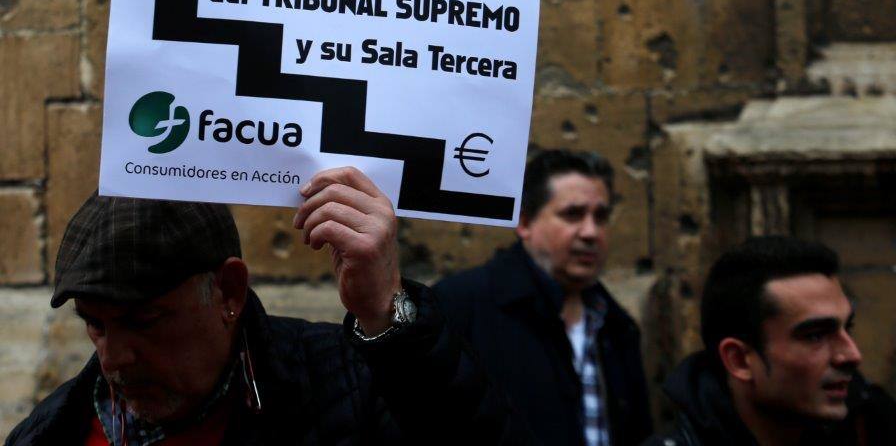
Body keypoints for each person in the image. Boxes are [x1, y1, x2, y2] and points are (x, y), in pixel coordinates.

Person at [6, 167, 534, 445]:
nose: (114, 358)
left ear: (228, 293)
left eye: (144, 321)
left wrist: (383, 308)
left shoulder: (344, 385)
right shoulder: (49, 433)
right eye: (95, 325)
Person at [434, 149, 653, 446]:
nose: (591, 232)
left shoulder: (616, 325)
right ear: (524, 223)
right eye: (572, 214)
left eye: (600, 217)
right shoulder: (462, 306)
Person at [645, 235, 896, 446]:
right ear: (740, 360)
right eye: (816, 336)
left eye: (847, 327)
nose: (852, 354)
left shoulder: (865, 425)